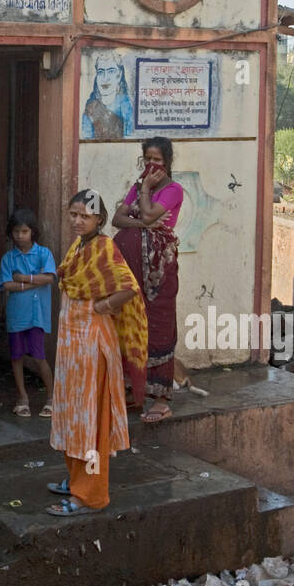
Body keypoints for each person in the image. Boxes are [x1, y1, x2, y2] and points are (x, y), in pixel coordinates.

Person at [47, 189, 147, 515]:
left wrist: (102, 305)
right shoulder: (80, 246)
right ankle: (76, 479)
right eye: (73, 214)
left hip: (92, 347)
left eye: (84, 215)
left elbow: (128, 287)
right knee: (73, 417)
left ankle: (89, 495)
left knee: (91, 423)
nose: (77, 220)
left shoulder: (104, 247)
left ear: (99, 219)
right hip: (72, 349)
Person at [111, 137, 184, 423]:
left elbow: (152, 212)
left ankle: (162, 399)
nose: (152, 165)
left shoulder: (173, 190)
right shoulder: (136, 185)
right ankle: (133, 391)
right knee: (130, 322)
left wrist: (144, 192)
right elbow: (117, 218)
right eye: (148, 159)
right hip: (130, 272)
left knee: (158, 327)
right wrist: (141, 223)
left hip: (158, 274)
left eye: (157, 160)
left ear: (167, 162)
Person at [0, 208, 56, 418]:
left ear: (33, 232)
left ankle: (51, 398)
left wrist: (22, 278)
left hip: (37, 315)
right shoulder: (8, 258)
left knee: (39, 357)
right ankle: (22, 398)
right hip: (16, 315)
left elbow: (49, 278)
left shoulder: (43, 253)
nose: (20, 236)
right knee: (16, 357)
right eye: (16, 232)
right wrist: (32, 281)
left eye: (24, 231)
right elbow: (5, 284)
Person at [80, 53, 134, 140]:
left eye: (111, 71)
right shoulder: (90, 107)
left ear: (119, 75)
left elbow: (130, 136)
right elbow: (86, 137)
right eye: (101, 72)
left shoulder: (126, 104)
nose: (105, 78)